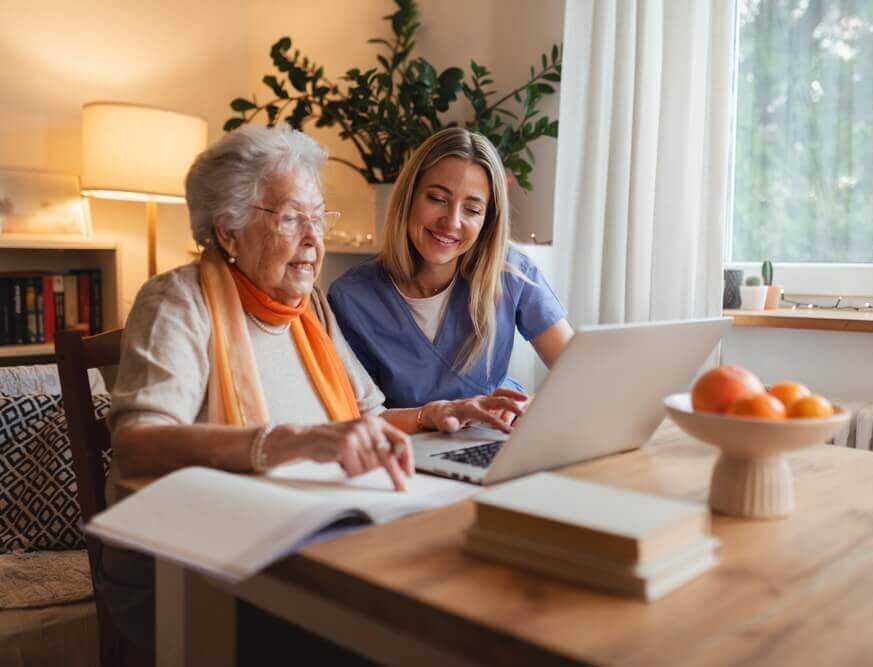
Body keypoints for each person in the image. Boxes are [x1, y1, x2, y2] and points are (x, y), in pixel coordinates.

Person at [102, 125, 526, 651]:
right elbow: (138, 442)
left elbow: (366, 417)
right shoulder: (178, 301)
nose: (313, 240)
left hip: (308, 547)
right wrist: (292, 440)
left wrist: (439, 410)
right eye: (290, 219)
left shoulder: (310, 311)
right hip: (195, 573)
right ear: (228, 232)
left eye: (318, 217)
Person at [328, 128, 574, 415]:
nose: (452, 221)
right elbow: (357, 418)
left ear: (487, 220)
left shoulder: (511, 273)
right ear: (409, 197)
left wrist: (523, 408)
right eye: (437, 199)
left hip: (498, 437)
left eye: (472, 209)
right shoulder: (352, 298)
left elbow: (578, 374)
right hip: (408, 451)